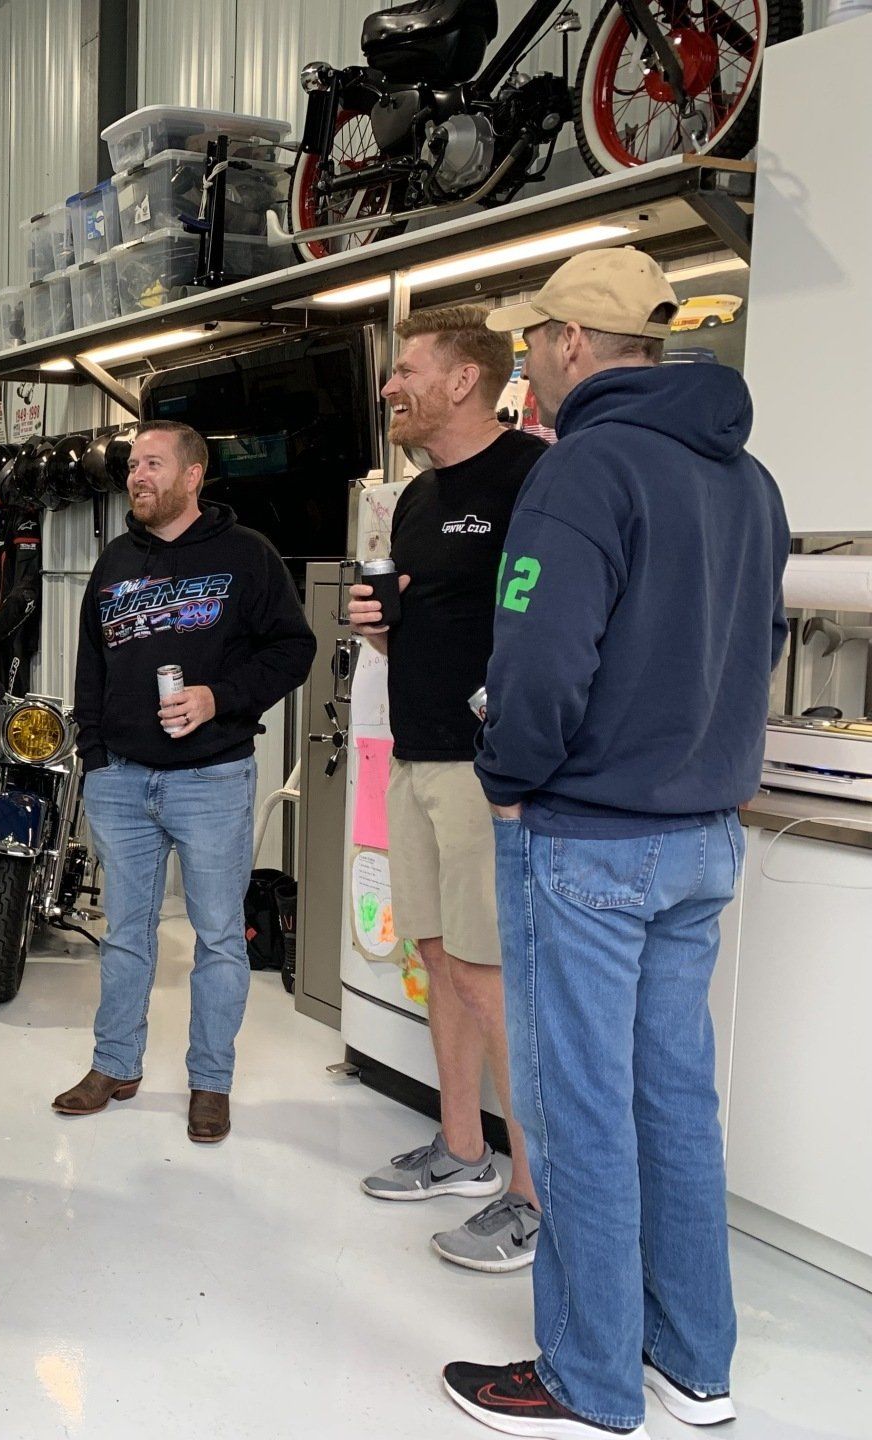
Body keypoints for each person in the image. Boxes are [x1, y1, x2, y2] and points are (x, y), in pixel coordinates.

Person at [442, 249, 789, 1438]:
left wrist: (506, 779)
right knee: (674, 1105)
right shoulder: (748, 479)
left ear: (576, 344)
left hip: (585, 840)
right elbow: (753, 652)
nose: (526, 361)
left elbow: (538, 665)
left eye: (533, 339)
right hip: (702, 838)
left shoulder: (581, 470)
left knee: (579, 1106)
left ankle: (589, 1378)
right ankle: (696, 1365)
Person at [348, 305, 546, 1273]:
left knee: (489, 971)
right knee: (434, 951)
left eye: (408, 367)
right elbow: (424, 626)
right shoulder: (419, 498)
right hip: (416, 752)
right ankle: (463, 1147)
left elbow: (551, 626)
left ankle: (536, 1192)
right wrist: (380, 626)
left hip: (488, 767)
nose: (394, 384)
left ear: (465, 378)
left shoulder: (534, 478)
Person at [52, 420, 314, 1144]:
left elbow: (294, 649)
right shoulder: (113, 564)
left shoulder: (246, 557)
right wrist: (94, 754)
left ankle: (209, 1083)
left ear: (193, 474)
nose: (138, 476)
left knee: (220, 938)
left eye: (153, 464)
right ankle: (115, 1065)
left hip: (213, 778)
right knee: (126, 934)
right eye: (134, 465)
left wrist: (218, 698)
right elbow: (91, 668)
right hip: (123, 782)